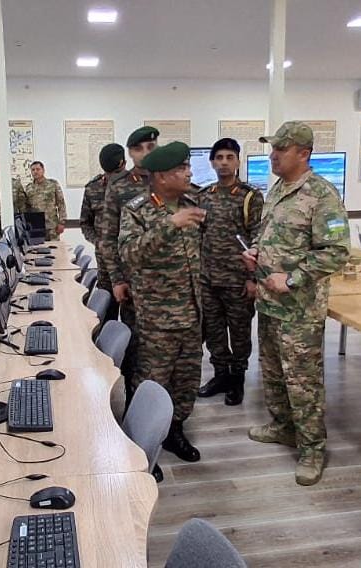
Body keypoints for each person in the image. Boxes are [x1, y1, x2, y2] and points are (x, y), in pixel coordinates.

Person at [242, 122, 350, 486]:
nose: (272, 155)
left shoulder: (322, 195)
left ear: (303, 153)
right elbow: (271, 234)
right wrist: (257, 252)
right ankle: (283, 427)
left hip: (300, 309)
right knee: (272, 371)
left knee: (303, 380)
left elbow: (336, 252)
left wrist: (291, 278)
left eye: (280, 149)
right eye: (273, 148)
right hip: (270, 303)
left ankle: (312, 448)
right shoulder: (277, 190)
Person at [119, 141, 206, 464]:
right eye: (181, 169)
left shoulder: (192, 201)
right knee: (152, 380)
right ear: (162, 177)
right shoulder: (137, 210)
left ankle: (174, 430)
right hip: (157, 316)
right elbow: (129, 254)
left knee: (187, 379)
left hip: (192, 312)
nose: (188, 173)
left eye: (187, 167)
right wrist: (169, 226)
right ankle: (142, 448)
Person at [196, 138, 263, 406]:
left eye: (229, 157)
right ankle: (220, 375)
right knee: (213, 332)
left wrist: (252, 278)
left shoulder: (249, 196)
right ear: (212, 161)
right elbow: (197, 235)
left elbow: (257, 236)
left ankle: (237, 380)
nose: (224, 162)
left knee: (239, 332)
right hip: (209, 279)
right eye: (219, 157)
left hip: (237, 279)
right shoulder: (204, 195)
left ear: (237, 161)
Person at [98, 126, 159, 401]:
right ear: (130, 153)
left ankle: (168, 410)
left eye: (151, 147)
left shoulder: (166, 178)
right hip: (133, 283)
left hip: (167, 283)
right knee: (136, 344)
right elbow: (108, 238)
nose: (146, 153)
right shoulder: (119, 186)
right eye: (139, 148)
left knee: (165, 349)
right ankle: (136, 398)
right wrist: (117, 279)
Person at [80, 143, 126, 293]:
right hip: (105, 260)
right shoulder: (92, 188)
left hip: (130, 260)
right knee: (106, 302)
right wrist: (97, 242)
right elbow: (85, 223)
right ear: (123, 163)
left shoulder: (136, 188)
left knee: (131, 309)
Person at [21, 161, 67, 240]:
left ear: (43, 170)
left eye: (38, 169)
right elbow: (26, 208)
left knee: (55, 250)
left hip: (52, 226)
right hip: (36, 227)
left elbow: (61, 203)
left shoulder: (53, 184)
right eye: (33, 170)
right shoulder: (28, 188)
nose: (35, 172)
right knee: (38, 249)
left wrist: (62, 222)